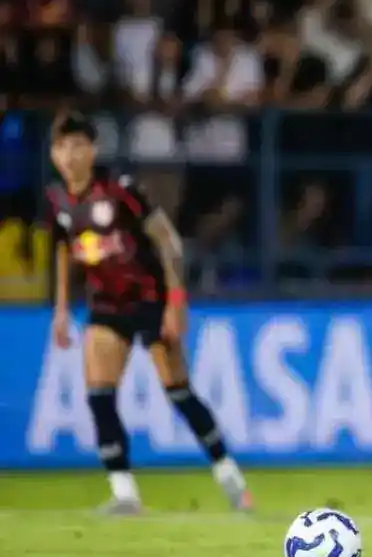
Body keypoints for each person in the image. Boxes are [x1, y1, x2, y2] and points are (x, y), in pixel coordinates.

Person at [45, 111, 251, 515]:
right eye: (62, 147)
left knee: (178, 392)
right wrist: (61, 309)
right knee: (99, 395)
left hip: (151, 300)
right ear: (53, 154)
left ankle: (231, 478)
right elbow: (63, 249)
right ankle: (125, 493)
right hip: (106, 304)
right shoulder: (57, 201)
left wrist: (176, 300)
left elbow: (167, 239)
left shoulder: (119, 190)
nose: (70, 155)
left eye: (78, 146)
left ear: (93, 150)